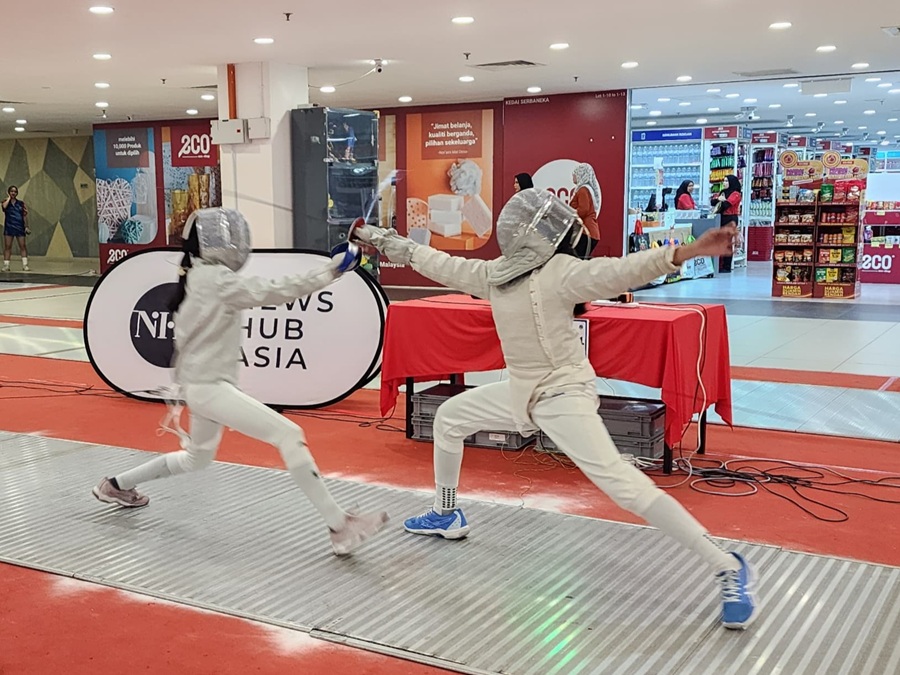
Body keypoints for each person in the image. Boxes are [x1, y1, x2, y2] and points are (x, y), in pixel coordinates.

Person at [352, 189, 757, 629]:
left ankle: (727, 565)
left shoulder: (562, 272)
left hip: (564, 394)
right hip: (522, 391)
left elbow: (618, 271)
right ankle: (447, 511)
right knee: (450, 418)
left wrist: (687, 251)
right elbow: (436, 262)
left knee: (624, 486)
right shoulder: (496, 275)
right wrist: (381, 238)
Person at [92, 207, 388, 556]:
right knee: (288, 434)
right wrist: (332, 271)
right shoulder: (214, 279)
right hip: (209, 388)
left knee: (196, 459)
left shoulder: (200, 275)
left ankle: (115, 485)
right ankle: (340, 526)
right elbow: (275, 290)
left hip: (202, 386)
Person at [569, 164, 601, 259]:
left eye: (575, 174)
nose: (573, 176)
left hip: (586, 232)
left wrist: (570, 215)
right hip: (590, 231)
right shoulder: (587, 189)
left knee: (577, 260)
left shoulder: (583, 190)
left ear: (580, 175)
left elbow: (584, 209)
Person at [713, 175, 742, 273]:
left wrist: (721, 200)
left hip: (731, 218)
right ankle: (719, 264)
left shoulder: (736, 194)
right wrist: (719, 200)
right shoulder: (722, 192)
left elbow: (726, 205)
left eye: (726, 181)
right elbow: (713, 202)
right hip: (721, 218)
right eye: (724, 181)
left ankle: (726, 266)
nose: (724, 183)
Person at [2, 186, 29, 272]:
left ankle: (25, 265)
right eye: (11, 191)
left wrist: (26, 226)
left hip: (19, 226)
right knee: (7, 246)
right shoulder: (5, 202)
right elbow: (4, 207)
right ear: (9, 192)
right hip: (9, 227)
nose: (13, 193)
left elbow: (24, 215)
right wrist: (9, 198)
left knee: (23, 246)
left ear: (17, 193)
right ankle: (6, 265)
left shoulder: (21, 203)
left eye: (15, 192)